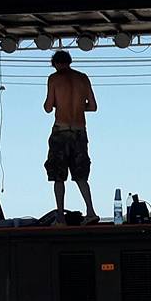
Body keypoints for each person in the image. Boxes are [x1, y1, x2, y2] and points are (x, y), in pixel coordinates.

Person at [43, 50, 99, 224]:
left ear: (55, 63)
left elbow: (48, 107)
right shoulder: (83, 78)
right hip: (80, 131)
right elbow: (93, 106)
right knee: (81, 175)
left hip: (61, 130)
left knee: (58, 176)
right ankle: (90, 211)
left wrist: (61, 105)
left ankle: (60, 217)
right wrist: (77, 107)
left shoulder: (54, 78)